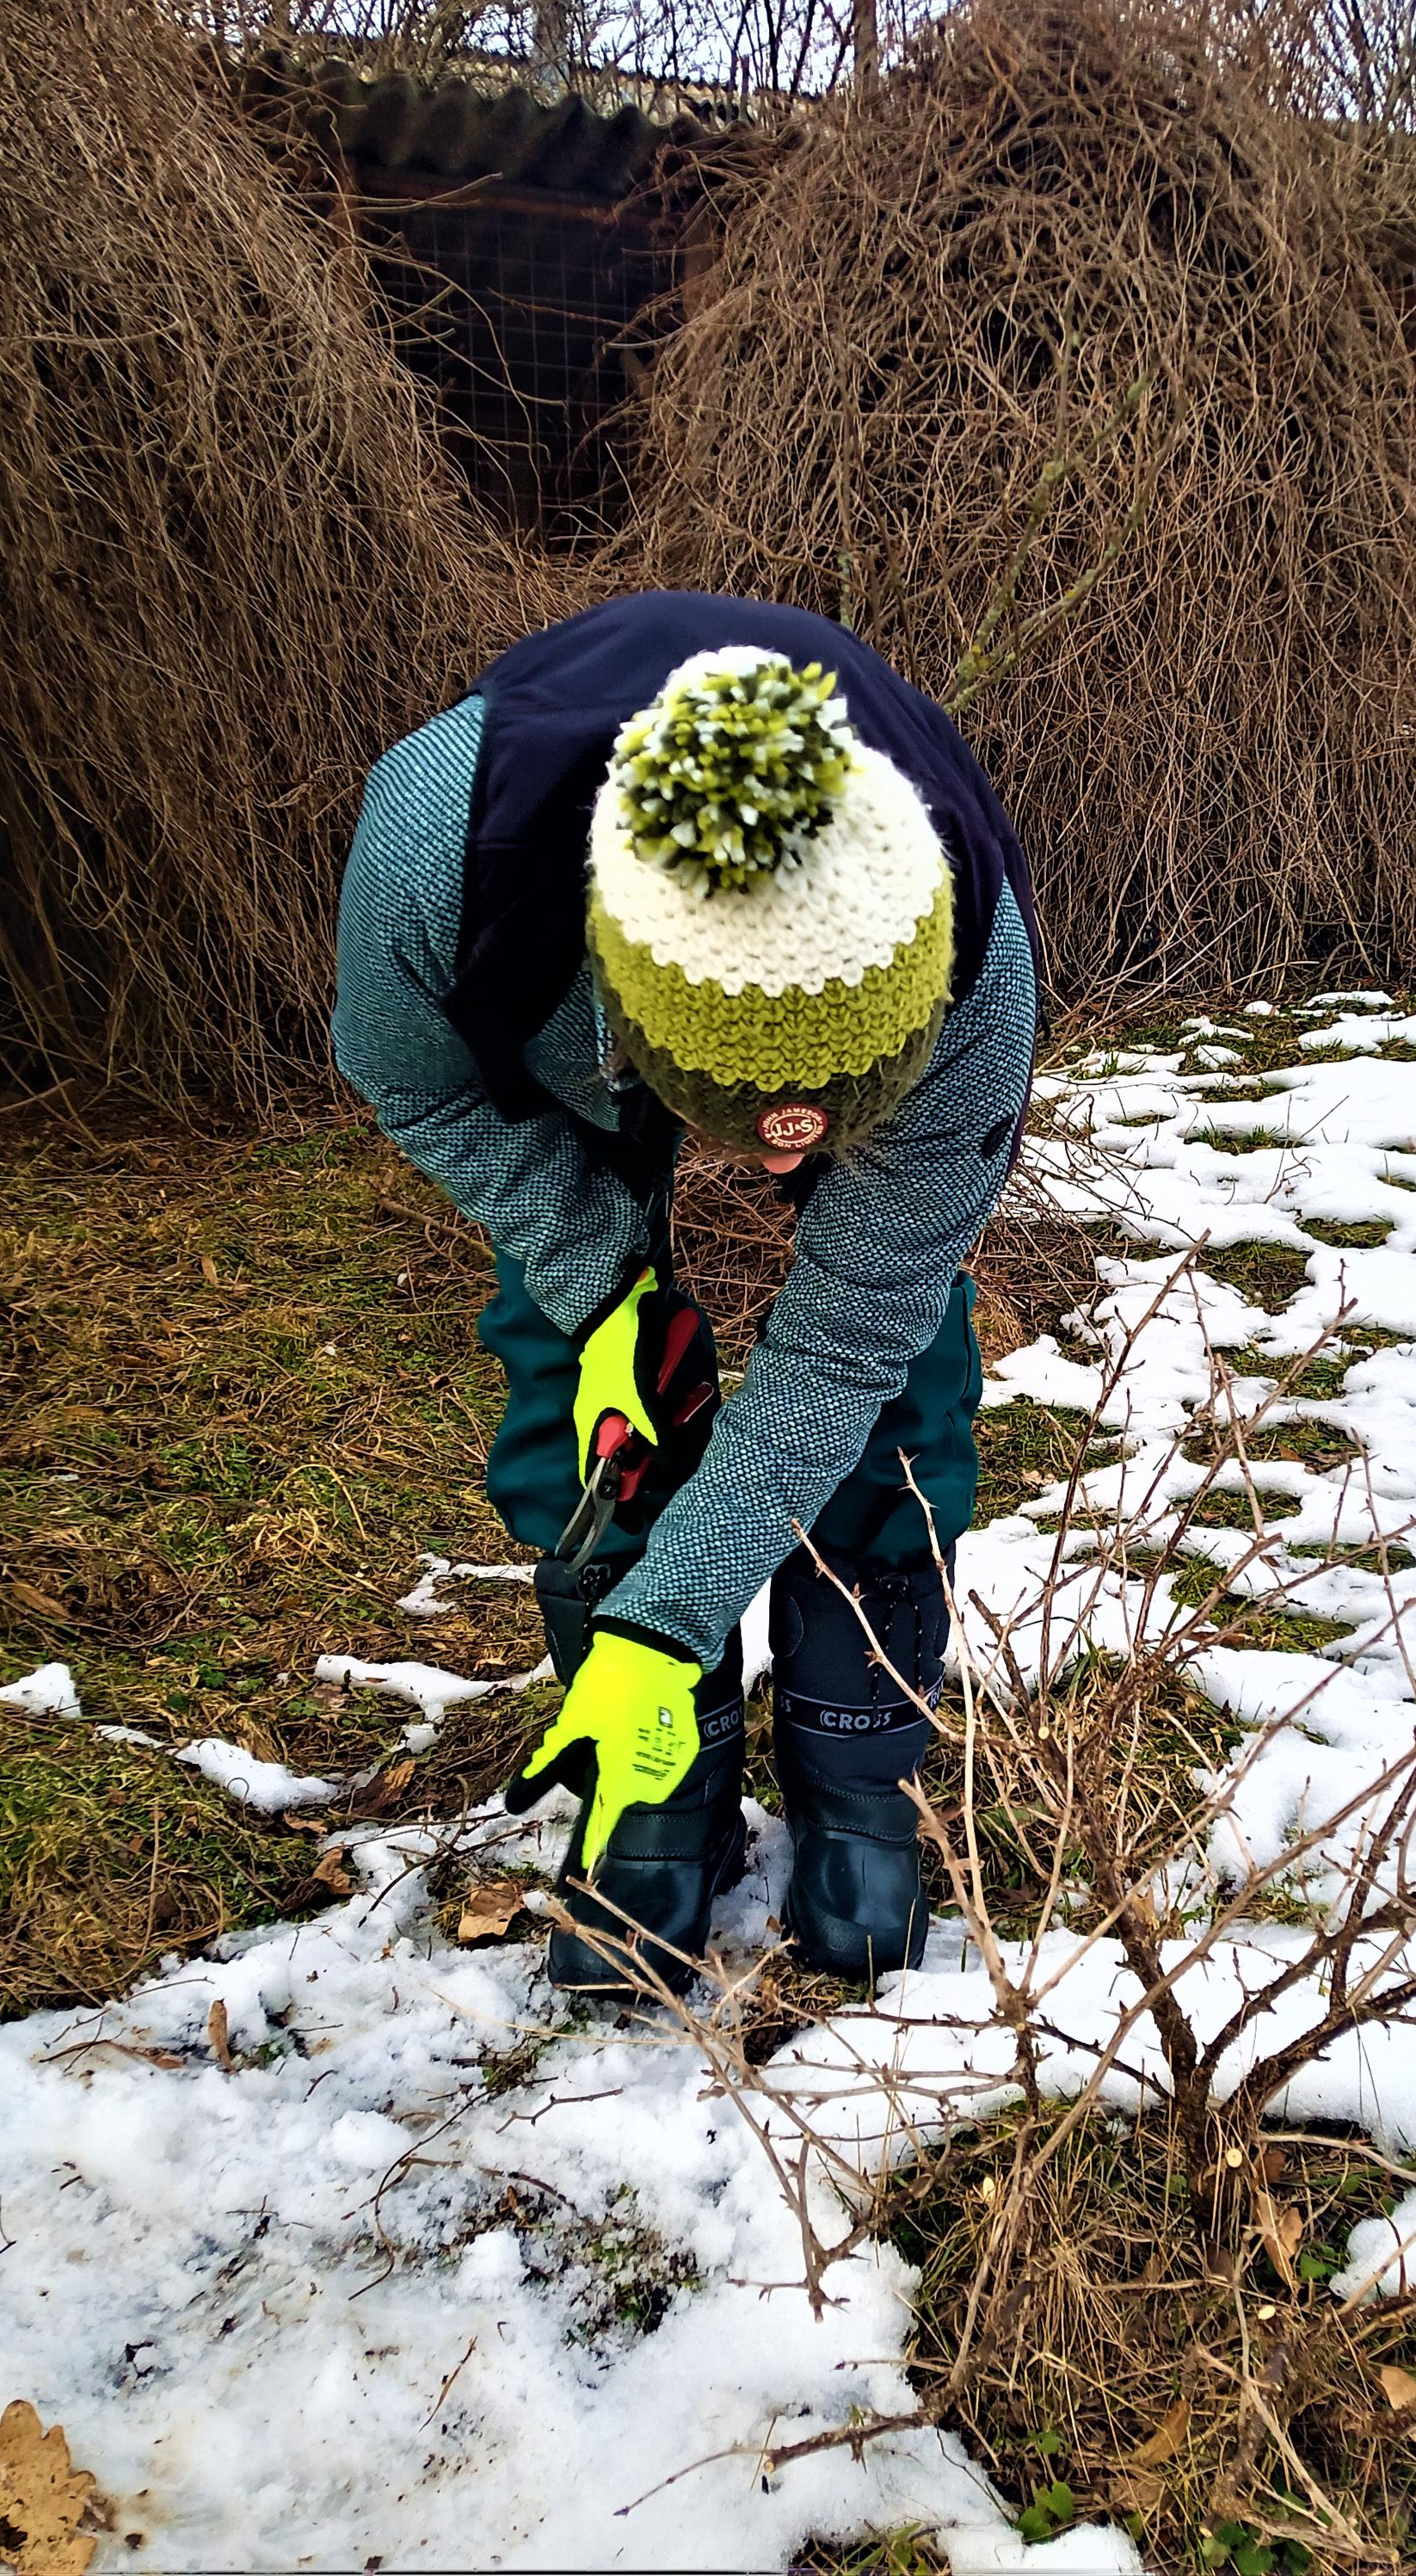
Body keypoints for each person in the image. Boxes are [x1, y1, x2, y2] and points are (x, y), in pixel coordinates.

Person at [332, 592, 1038, 2001]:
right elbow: (405, 1075)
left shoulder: (970, 974)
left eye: (836, 1104)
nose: (791, 1145)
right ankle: (661, 1796)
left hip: (814, 1017)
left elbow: (840, 1337)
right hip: (563, 985)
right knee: (589, 1376)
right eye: (759, 1112)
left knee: (893, 1376)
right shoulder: (440, 859)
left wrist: (671, 1620)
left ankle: (858, 1776)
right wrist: (604, 1281)